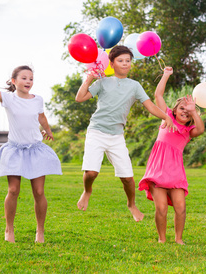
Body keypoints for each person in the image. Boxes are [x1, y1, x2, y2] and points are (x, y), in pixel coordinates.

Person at [0, 49, 62, 243]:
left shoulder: (38, 100)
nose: (28, 82)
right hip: (15, 150)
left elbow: (42, 117)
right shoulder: (8, 98)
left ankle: (40, 231)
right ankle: (9, 229)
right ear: (14, 81)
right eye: (24, 78)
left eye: (31, 79)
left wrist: (48, 130)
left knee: (39, 192)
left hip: (35, 149)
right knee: (13, 190)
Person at [75, 45, 176, 222]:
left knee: (128, 178)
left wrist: (166, 116)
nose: (125, 64)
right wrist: (90, 77)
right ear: (112, 64)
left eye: (128, 61)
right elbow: (80, 98)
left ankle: (131, 204)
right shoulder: (102, 82)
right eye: (120, 61)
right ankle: (87, 190)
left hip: (116, 136)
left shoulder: (134, 86)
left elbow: (150, 105)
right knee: (91, 172)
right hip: (96, 131)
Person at [138, 67, 204, 245]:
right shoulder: (166, 117)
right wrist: (166, 75)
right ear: (174, 110)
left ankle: (179, 239)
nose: (185, 111)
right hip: (158, 171)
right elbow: (158, 96)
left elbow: (201, 129)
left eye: (188, 111)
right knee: (160, 208)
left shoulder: (188, 131)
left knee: (180, 208)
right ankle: (161, 238)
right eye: (182, 108)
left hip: (175, 173)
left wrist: (194, 111)